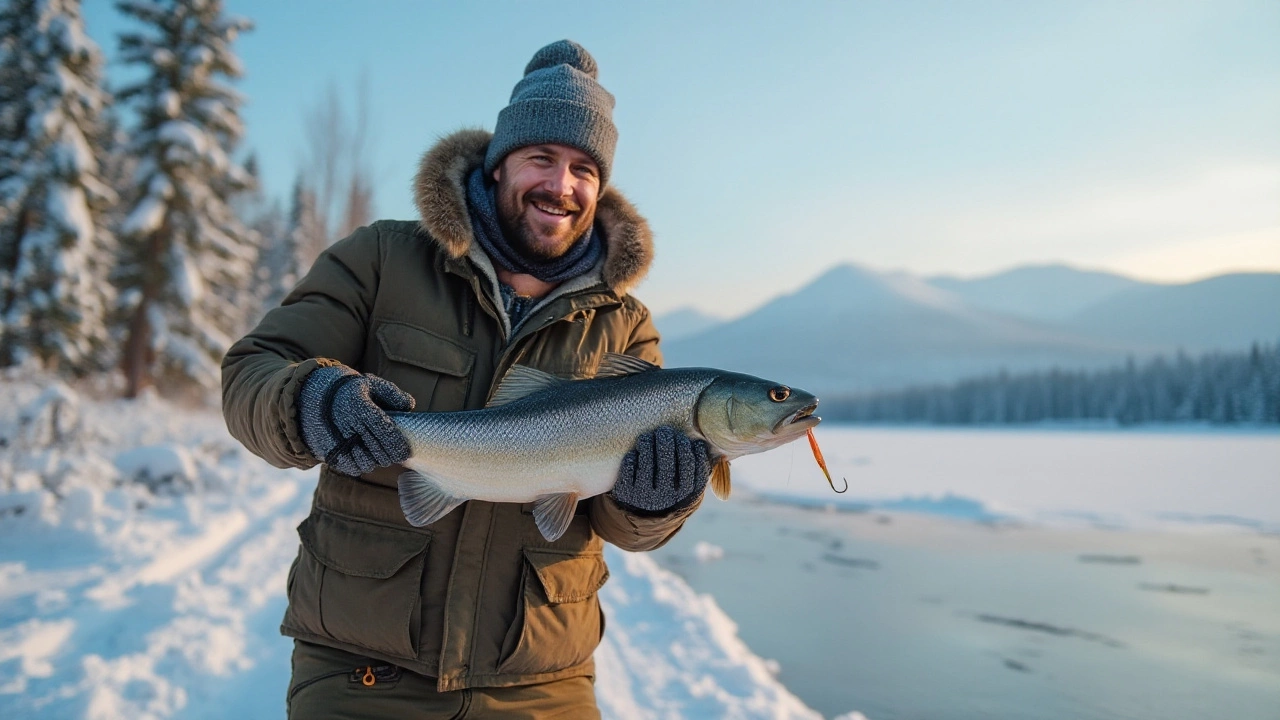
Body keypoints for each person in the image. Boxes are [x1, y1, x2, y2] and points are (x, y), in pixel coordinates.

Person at [221, 40, 711, 719]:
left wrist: (656, 505)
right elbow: (253, 372)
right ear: (499, 163)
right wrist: (310, 400)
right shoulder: (383, 258)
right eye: (541, 158)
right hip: (361, 672)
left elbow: (622, 526)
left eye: (582, 169)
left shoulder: (626, 327)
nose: (560, 186)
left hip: (542, 686)